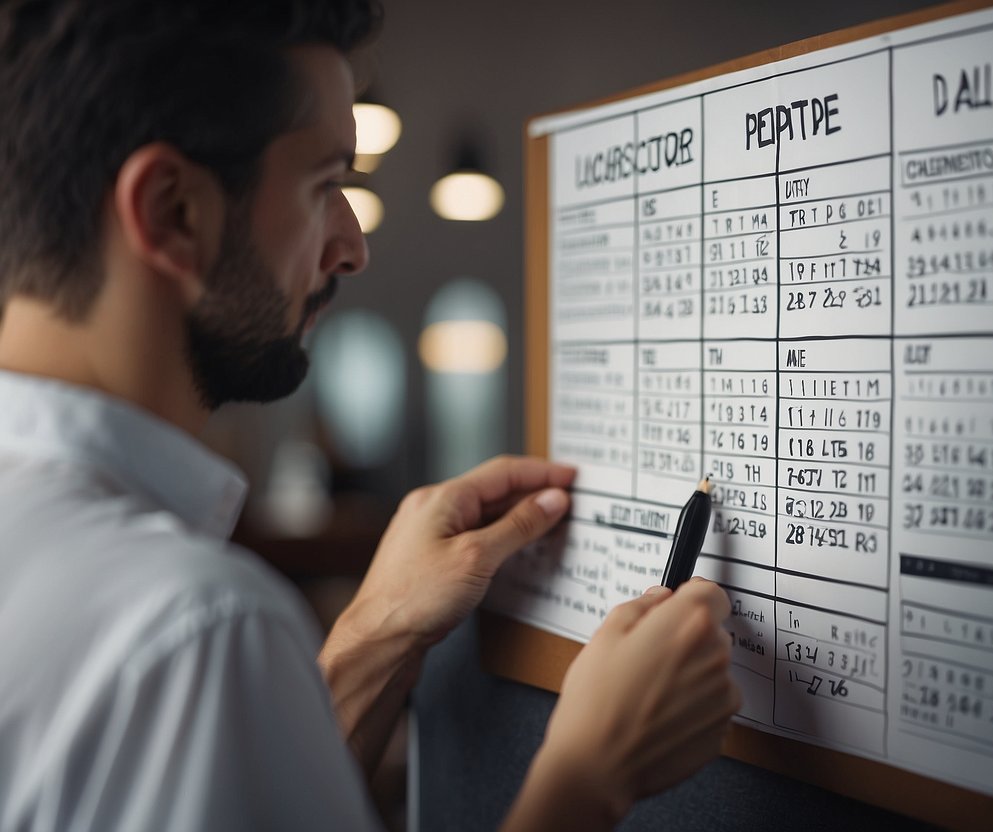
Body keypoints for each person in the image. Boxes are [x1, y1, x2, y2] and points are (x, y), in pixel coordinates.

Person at [0, 1, 741, 829]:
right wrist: (589, 773)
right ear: (173, 210)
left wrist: (373, 635)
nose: (352, 245)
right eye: (326, 185)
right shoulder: (195, 630)